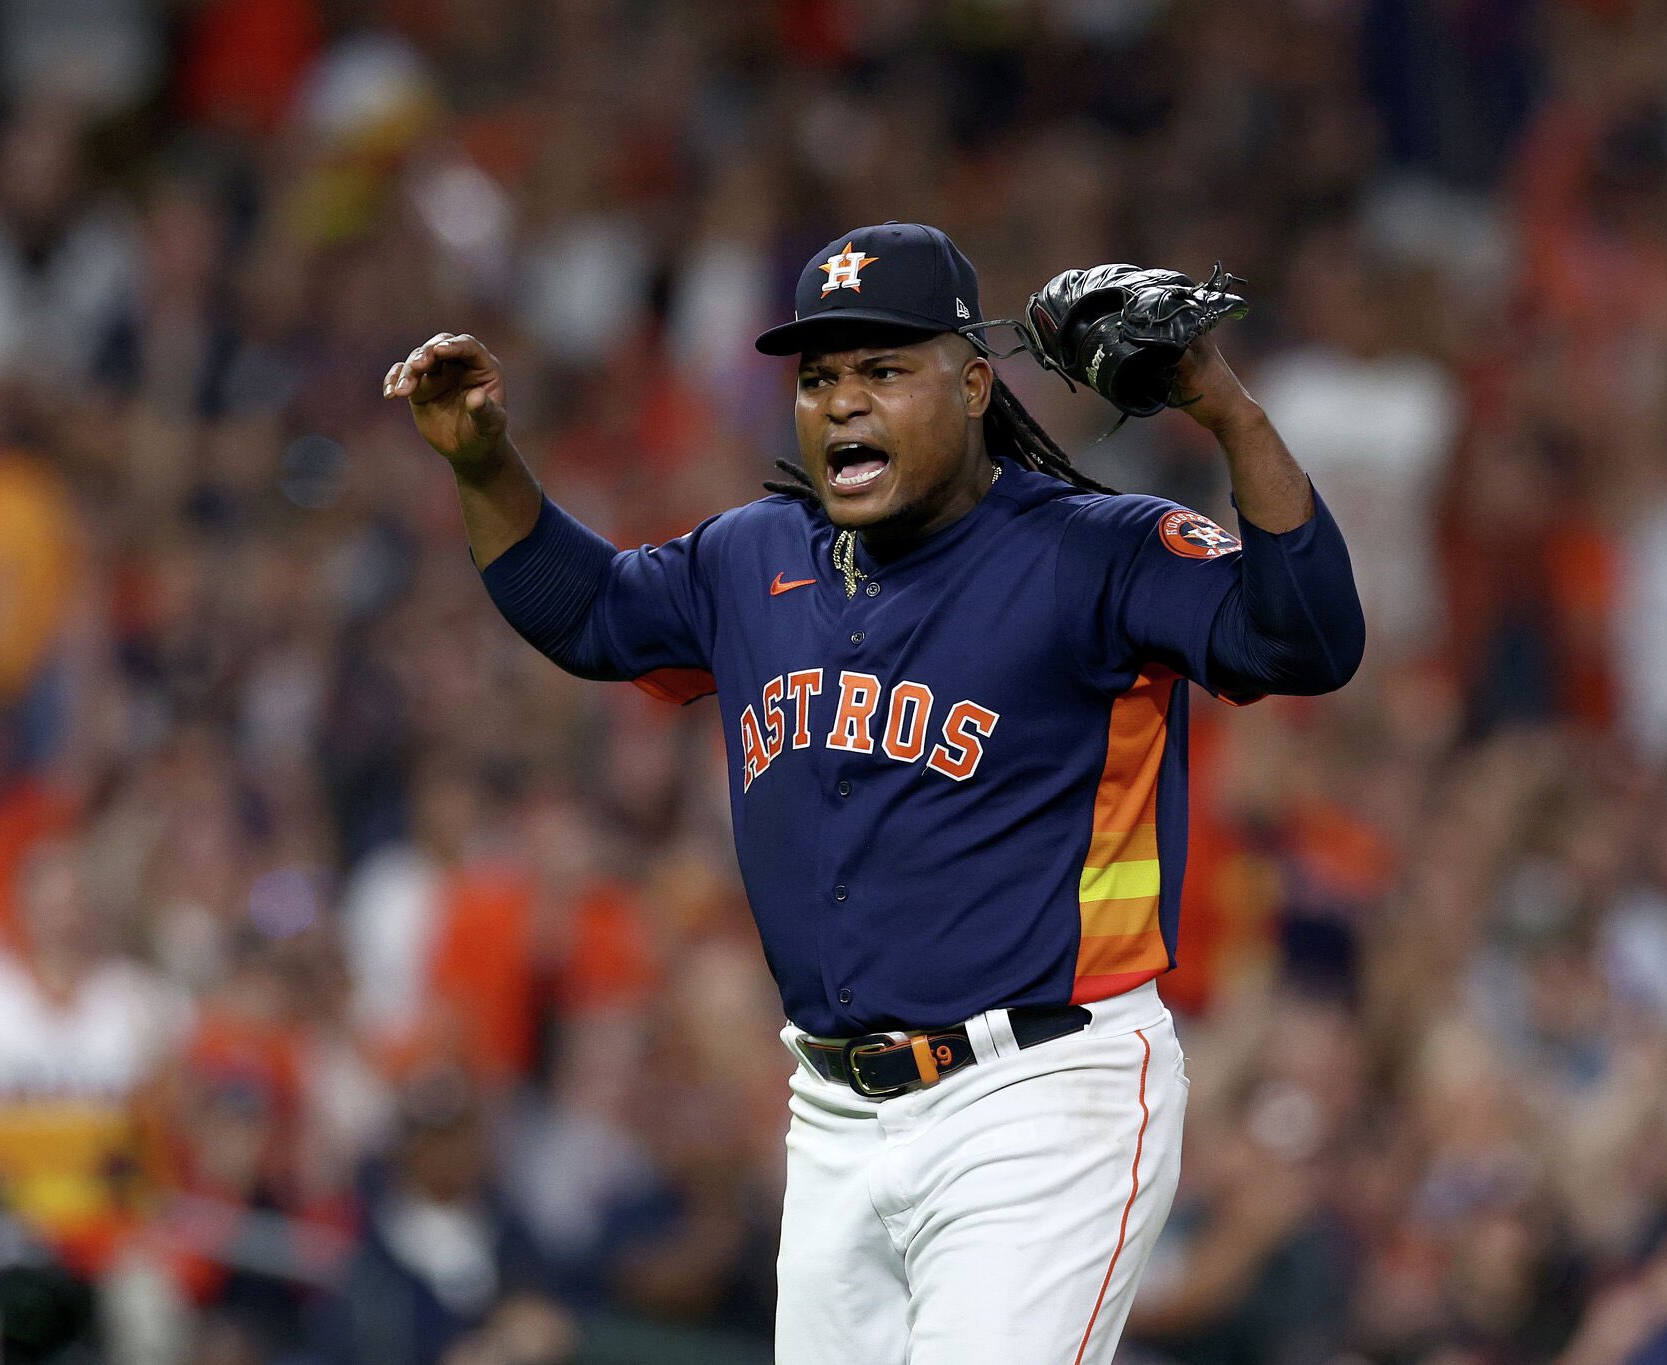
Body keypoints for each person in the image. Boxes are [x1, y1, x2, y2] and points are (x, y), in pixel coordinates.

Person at [384, 222, 1363, 1364]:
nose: (841, 403)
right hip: (835, 1114)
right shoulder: (749, 559)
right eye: (819, 377)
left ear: (972, 384)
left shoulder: (1095, 552)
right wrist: (481, 463)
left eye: (883, 370)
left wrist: (1220, 405)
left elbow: (1307, 642)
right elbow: (588, 612)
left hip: (1040, 1093)